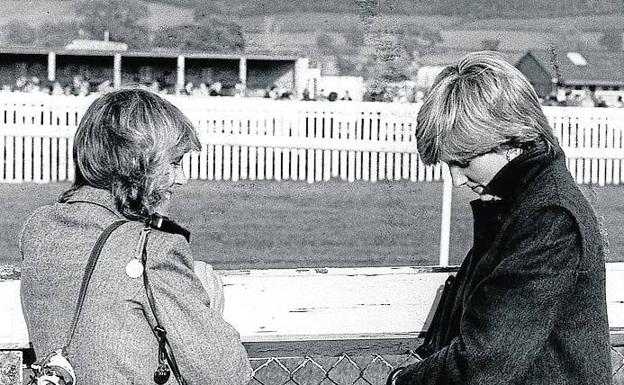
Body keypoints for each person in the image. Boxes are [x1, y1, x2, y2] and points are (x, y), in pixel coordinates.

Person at [387, 51, 611, 385]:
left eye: (463, 161)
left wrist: (401, 382)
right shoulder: (524, 204)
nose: (457, 180)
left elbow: (486, 361)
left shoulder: (550, 218)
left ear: (509, 139)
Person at [20, 89, 252, 384]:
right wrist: (211, 309)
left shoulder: (40, 228)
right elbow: (225, 376)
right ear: (137, 164)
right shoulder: (153, 248)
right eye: (175, 163)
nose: (183, 179)